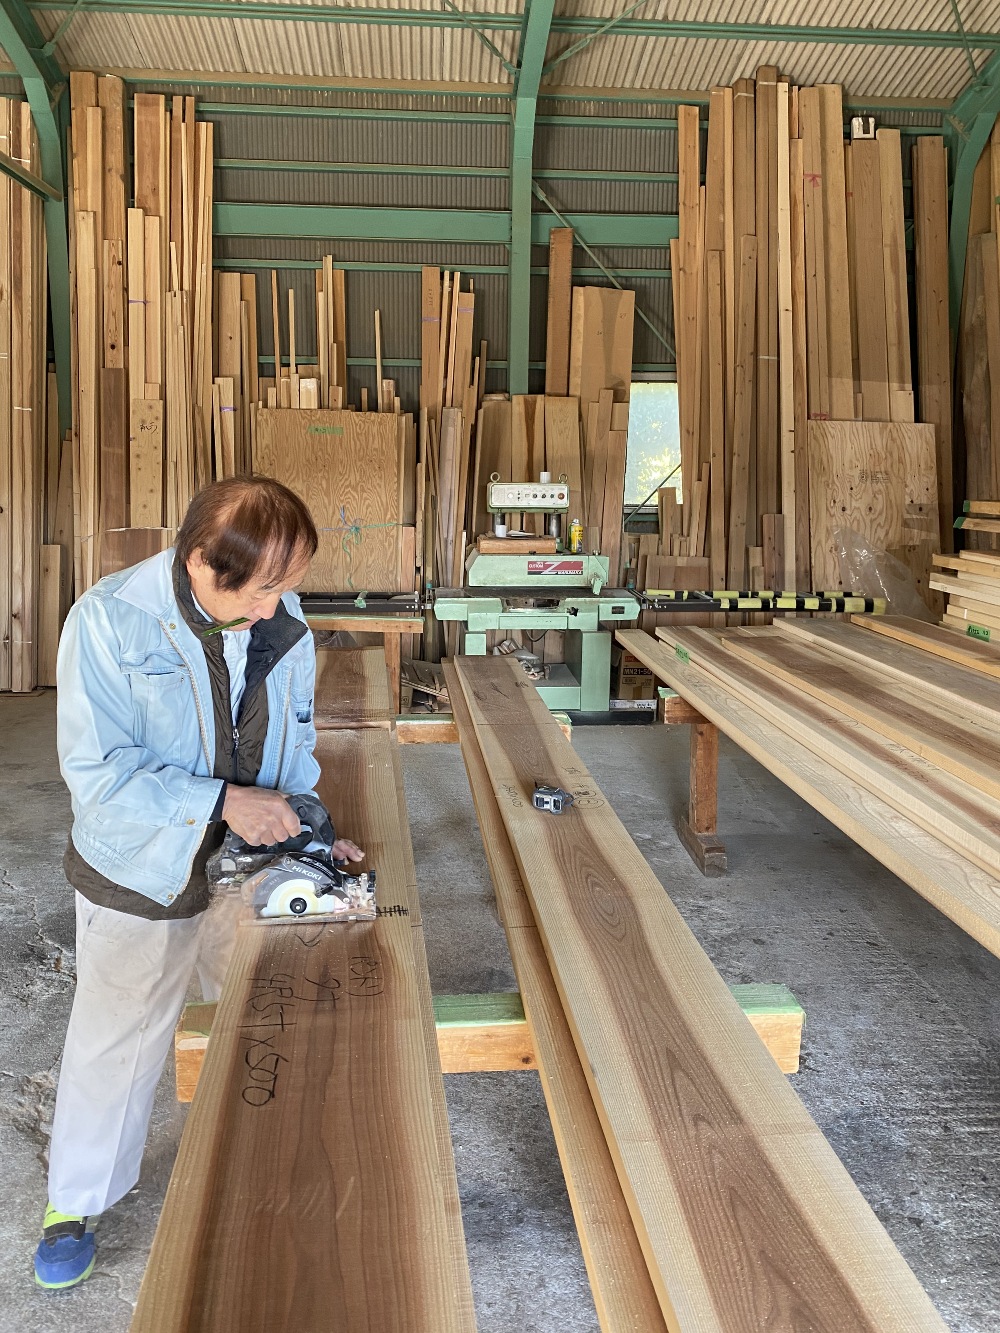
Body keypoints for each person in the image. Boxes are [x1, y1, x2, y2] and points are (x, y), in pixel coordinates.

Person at [34, 476, 363, 1290]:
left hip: (245, 859)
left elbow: (294, 740)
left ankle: (253, 1173)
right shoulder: (109, 620)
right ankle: (75, 1200)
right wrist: (221, 801)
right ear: (198, 563)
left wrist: (308, 829)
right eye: (258, 590)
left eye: (288, 586)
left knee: (260, 1021)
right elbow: (97, 774)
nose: (274, 608)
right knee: (120, 1036)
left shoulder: (281, 621)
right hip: (138, 861)